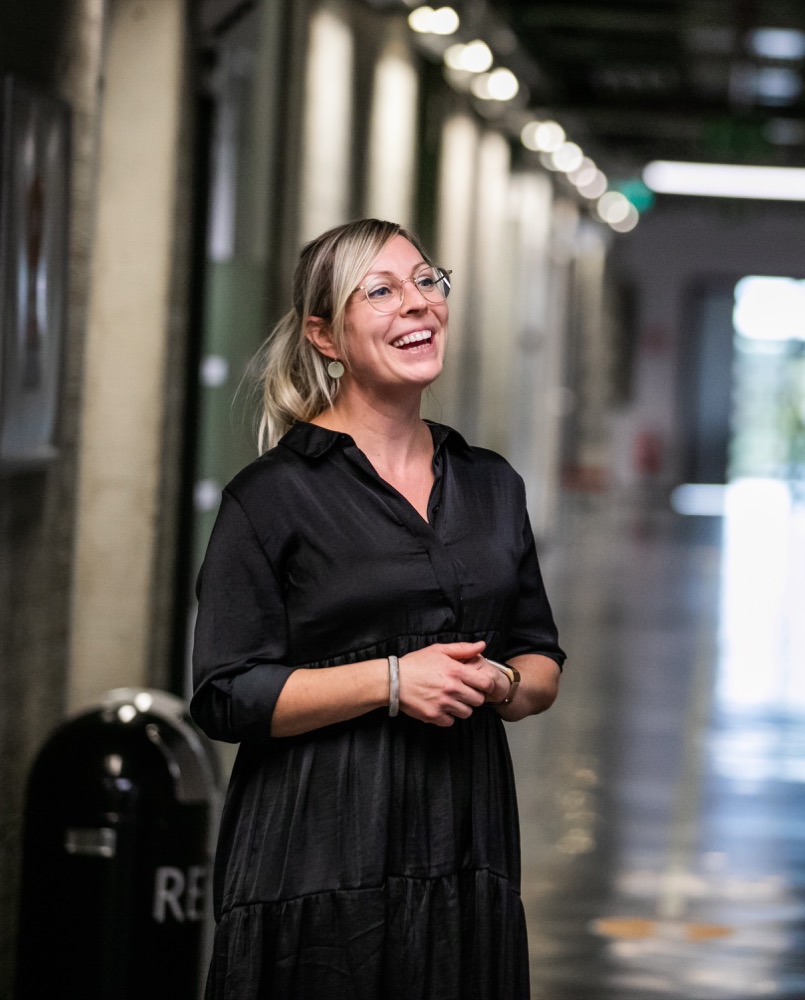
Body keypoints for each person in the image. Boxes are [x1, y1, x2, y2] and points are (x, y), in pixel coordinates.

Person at [189, 218, 565, 999]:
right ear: (326, 336)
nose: (418, 305)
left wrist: (497, 684)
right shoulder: (272, 498)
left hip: (465, 846)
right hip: (315, 850)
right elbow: (227, 692)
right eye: (383, 291)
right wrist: (392, 681)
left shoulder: (492, 485)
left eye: (428, 282)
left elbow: (538, 659)